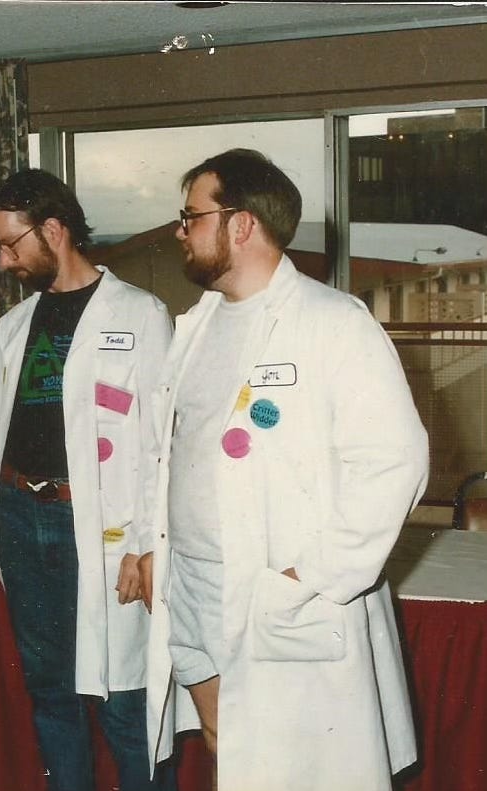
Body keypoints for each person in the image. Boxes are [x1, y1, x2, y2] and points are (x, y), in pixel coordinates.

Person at [144, 149, 428, 791]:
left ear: (240, 224)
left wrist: (315, 573)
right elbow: (171, 454)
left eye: (191, 216)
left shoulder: (333, 323)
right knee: (224, 745)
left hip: (277, 589)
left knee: (296, 770)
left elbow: (396, 462)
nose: (179, 231)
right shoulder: (196, 325)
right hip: (191, 581)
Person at [0, 168, 175, 791]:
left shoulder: (140, 314)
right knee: (49, 688)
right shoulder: (13, 326)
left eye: (11, 244)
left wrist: (147, 543)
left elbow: (162, 443)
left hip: (102, 529)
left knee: (123, 699)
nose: (3, 261)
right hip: (22, 516)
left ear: (54, 230)